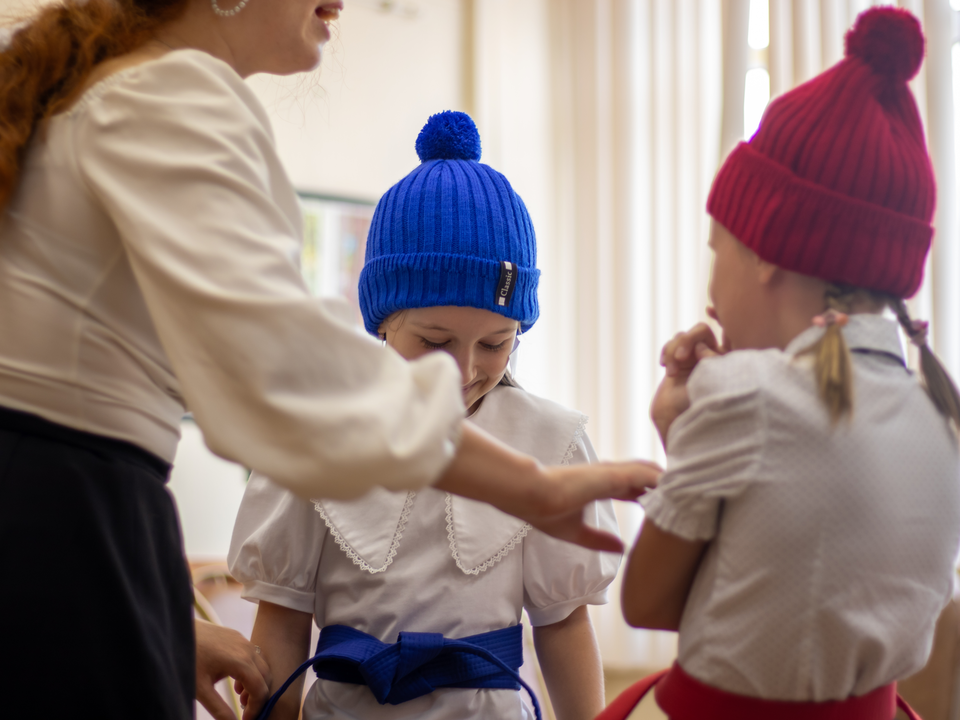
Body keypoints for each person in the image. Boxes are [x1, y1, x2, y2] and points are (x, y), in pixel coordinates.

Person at [0, 1, 659, 719]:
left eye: (494, 344)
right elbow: (289, 377)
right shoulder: (167, 98)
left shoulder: (113, 95)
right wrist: (526, 485)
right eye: (435, 341)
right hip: (69, 517)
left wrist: (173, 625)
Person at [609, 7, 960, 720]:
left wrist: (686, 431)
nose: (710, 287)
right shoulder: (941, 413)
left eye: (717, 250)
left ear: (767, 250)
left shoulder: (745, 395)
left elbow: (648, 605)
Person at [227, 111, 619, 720]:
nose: (462, 371)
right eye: (435, 341)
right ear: (383, 319)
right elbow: (281, 619)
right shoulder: (316, 434)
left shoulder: (548, 440)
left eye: (495, 342)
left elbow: (562, 627)